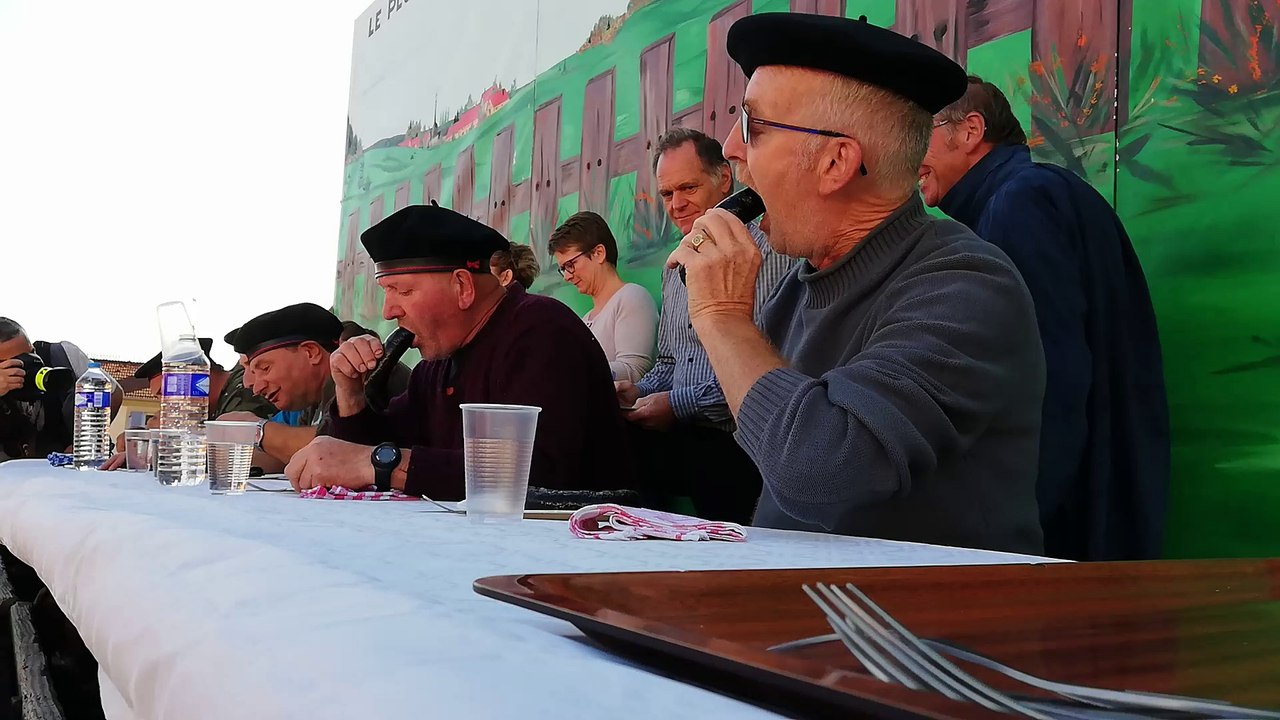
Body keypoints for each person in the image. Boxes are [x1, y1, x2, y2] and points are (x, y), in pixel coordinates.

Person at [666, 13, 1045, 554]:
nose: (730, 148)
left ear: (836, 161)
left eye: (754, 126)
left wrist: (724, 318)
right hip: (796, 612)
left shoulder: (966, 285)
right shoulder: (797, 290)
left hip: (913, 630)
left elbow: (822, 472)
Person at [920, 76, 1170, 561]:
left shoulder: (1019, 203)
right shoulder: (1027, 193)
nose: (909, 156)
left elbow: (1045, 373)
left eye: (919, 133)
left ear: (970, 131)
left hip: (1056, 515)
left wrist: (1020, 520)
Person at [284, 204, 633, 500]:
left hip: (581, 563)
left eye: (401, 291)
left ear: (463, 287)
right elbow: (362, 460)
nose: (389, 311)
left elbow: (539, 474)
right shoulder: (436, 366)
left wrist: (378, 464)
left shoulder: (541, 331)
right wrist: (350, 394)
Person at [615, 127, 792, 523]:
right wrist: (637, 391)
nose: (677, 204)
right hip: (687, 440)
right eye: (667, 194)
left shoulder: (767, 249)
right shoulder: (674, 265)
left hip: (742, 442)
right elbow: (672, 362)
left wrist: (676, 405)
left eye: (688, 188)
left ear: (724, 179)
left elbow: (777, 366)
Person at [218, 303, 411, 470]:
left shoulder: (361, 369)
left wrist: (255, 430)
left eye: (265, 368)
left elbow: (336, 448)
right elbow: (288, 457)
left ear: (311, 352)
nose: (256, 387)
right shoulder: (313, 400)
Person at [101, 337, 275, 470]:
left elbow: (258, 458)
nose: (165, 404)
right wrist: (145, 440)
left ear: (196, 376)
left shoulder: (243, 392)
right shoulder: (217, 405)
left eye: (167, 391)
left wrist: (164, 449)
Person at [548, 211, 658, 383]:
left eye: (570, 265)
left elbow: (635, 371)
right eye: (563, 268)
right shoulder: (586, 319)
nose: (567, 276)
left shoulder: (631, 297)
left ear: (599, 253)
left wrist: (569, 368)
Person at [0, 318, 103, 461]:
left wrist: (83, 442)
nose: (31, 362)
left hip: (64, 472)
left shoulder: (62, 356)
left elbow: (113, 394)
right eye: (18, 360)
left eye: (31, 353)